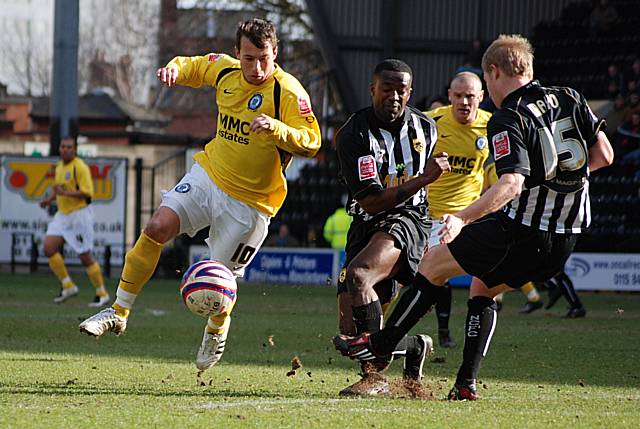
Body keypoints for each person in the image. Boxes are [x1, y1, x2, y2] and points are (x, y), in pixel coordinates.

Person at [333, 34, 614, 401]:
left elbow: (511, 184)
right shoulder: (571, 96)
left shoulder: (507, 117)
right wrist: (558, 182)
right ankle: (465, 383)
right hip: (567, 235)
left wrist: (463, 218)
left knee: (433, 267)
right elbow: (604, 155)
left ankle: (382, 345)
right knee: (483, 287)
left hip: (520, 227)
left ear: (493, 73)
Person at [79, 19, 321, 373]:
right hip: (209, 176)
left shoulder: (287, 92)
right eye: (249, 58)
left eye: (264, 59)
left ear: (275, 53)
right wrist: (173, 71)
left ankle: (216, 328)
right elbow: (191, 64)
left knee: (222, 282)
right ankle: (118, 311)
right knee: (156, 227)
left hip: (251, 204)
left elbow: (312, 141)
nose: (256, 67)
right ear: (236, 53)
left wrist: (278, 128)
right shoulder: (225, 71)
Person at [333, 58, 450, 395]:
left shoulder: (427, 128)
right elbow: (370, 202)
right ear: (372, 89)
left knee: (359, 276)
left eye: (402, 90)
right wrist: (423, 179)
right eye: (387, 89)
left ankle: (375, 379)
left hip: (408, 220)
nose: (394, 97)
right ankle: (413, 347)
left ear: (410, 92)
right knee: (350, 332)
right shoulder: (353, 134)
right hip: (368, 220)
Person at [424, 71, 492, 348]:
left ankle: (473, 338)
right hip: (432, 215)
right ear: (450, 95)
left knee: (486, 277)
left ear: (481, 97)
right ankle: (440, 332)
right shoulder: (431, 121)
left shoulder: (493, 125)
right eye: (459, 96)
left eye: (470, 96)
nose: (464, 102)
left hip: (469, 216)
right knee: (433, 278)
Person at [39, 138, 109, 307]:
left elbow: (87, 193)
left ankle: (102, 293)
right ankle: (68, 285)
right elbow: (59, 191)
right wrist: (49, 200)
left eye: (69, 147)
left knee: (85, 256)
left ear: (75, 149)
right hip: (62, 215)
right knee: (49, 248)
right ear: (59, 148)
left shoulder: (80, 167)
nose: (66, 150)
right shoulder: (60, 167)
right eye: (63, 146)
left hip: (79, 215)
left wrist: (65, 193)